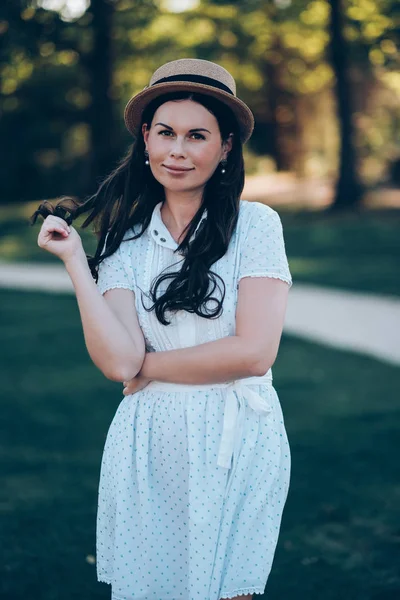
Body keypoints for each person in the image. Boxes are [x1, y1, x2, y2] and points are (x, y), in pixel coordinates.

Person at [31, 58, 293, 600]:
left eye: (198, 136)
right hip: (149, 440)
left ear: (224, 148)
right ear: (146, 139)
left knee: (229, 593)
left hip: (238, 433)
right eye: (166, 133)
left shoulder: (257, 225)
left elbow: (254, 353)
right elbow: (114, 361)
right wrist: (78, 263)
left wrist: (145, 367)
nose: (178, 150)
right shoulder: (125, 243)